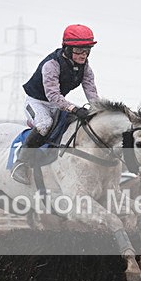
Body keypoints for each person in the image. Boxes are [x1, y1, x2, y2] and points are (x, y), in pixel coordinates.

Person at [11, 24, 100, 184]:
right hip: (37, 102)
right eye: (79, 50)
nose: (84, 55)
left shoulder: (85, 68)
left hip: (58, 104)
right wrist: (73, 108)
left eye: (87, 50)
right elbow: (52, 95)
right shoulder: (51, 65)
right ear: (67, 49)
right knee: (45, 124)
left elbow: (91, 92)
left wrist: (99, 111)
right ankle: (21, 163)